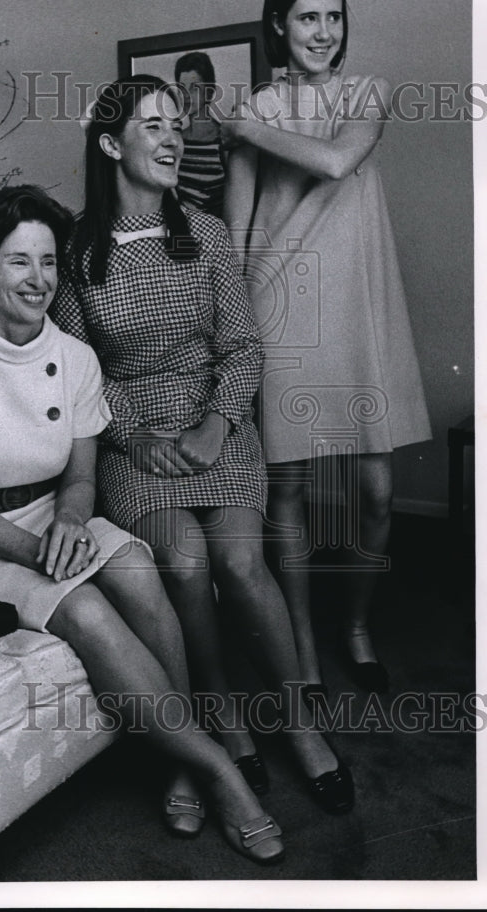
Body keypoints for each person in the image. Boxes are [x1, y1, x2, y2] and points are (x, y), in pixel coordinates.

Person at [0, 184, 285, 865]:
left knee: (140, 568)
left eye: (49, 262)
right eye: (19, 261)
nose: (39, 279)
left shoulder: (75, 358)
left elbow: (79, 478)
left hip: (56, 514)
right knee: (82, 608)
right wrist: (35, 550)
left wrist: (73, 523)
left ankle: (175, 761)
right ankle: (215, 770)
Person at [51, 74, 353, 816]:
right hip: (134, 442)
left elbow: (244, 348)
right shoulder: (74, 252)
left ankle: (299, 722)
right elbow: (76, 369)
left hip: (217, 423)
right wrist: (135, 435)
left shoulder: (208, 233)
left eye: (175, 125)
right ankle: (221, 718)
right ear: (108, 144)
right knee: (183, 563)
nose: (170, 137)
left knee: (242, 561)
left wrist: (216, 422)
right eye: (151, 126)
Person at [219, 0, 432, 695]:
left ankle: (355, 625)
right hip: (281, 311)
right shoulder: (254, 110)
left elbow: (339, 160)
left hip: (359, 309)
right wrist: (239, 327)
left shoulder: (366, 93)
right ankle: (303, 648)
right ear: (279, 23)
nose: (323, 31)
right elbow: (240, 228)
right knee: (289, 493)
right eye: (307, 16)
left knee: (374, 490)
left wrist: (243, 121)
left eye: (333, 16)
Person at [174, 51, 226, 217]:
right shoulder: (175, 140)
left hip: (216, 236)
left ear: (210, 92)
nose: (187, 96)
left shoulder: (225, 140)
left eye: (195, 88)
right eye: (182, 89)